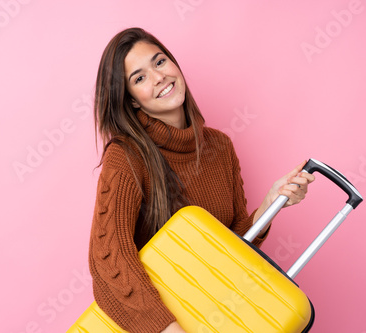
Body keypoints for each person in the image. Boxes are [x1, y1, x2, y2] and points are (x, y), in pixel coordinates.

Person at [89, 27, 315, 333]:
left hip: (218, 316)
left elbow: (230, 246)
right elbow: (108, 260)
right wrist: (167, 329)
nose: (158, 77)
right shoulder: (127, 157)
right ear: (132, 102)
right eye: (139, 78)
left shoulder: (219, 147)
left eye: (159, 62)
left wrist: (269, 206)